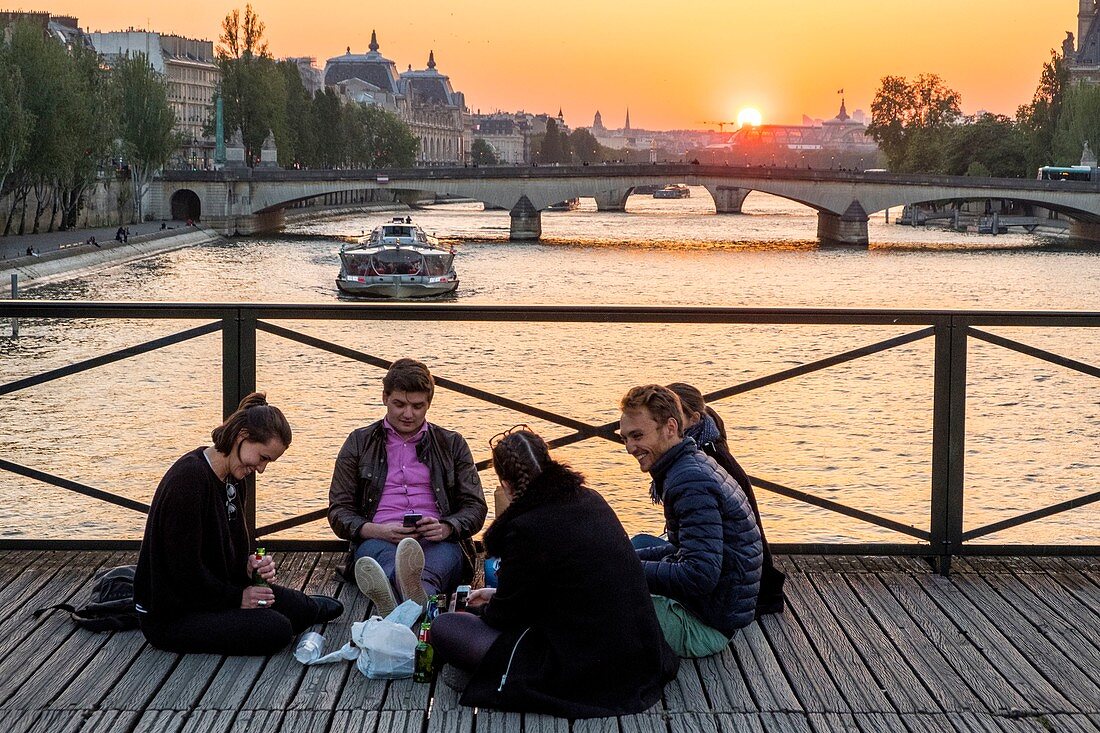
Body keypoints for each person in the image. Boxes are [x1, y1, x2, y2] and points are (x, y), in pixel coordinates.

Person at [430, 427, 679, 718]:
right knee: (474, 615)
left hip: (585, 665)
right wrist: (497, 594)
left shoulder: (525, 529)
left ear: (506, 484)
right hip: (636, 653)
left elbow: (506, 616)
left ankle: (486, 670)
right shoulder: (591, 498)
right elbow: (566, 585)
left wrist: (489, 607)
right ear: (548, 462)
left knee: (445, 628)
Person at [134, 393, 343, 655]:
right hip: (173, 614)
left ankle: (305, 608)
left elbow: (230, 553)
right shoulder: (188, 481)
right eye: (263, 457)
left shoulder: (234, 478)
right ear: (242, 436)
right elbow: (184, 574)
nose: (262, 469)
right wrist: (238, 598)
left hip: (213, 594)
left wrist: (249, 565)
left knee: (301, 610)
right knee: (276, 629)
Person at [328, 358, 486, 616]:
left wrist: (446, 527)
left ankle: (402, 597)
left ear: (429, 404)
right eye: (399, 404)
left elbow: (476, 508)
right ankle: (418, 600)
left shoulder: (453, 443)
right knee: (391, 565)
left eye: (417, 406)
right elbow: (338, 511)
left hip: (439, 541)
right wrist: (376, 530)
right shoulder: (358, 442)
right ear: (384, 397)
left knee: (428, 570)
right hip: (379, 539)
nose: (408, 414)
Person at [619, 384, 762, 658]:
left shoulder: (689, 481)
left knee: (596, 596)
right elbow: (679, 547)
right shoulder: (689, 462)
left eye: (637, 436)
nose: (629, 447)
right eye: (625, 437)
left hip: (705, 628)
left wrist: (624, 568)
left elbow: (698, 575)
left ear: (671, 427)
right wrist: (622, 558)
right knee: (627, 553)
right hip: (715, 611)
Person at [666, 382, 786, 615]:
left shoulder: (699, 464)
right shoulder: (708, 446)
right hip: (742, 577)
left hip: (732, 591)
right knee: (636, 549)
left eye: (671, 416)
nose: (664, 424)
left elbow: (699, 563)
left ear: (694, 419)